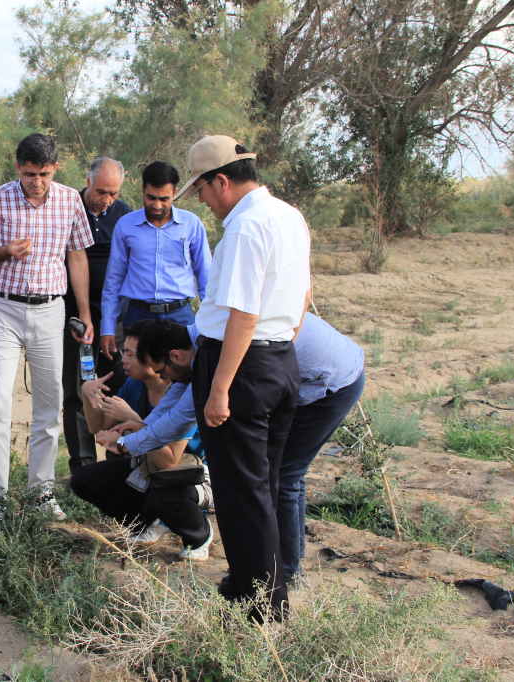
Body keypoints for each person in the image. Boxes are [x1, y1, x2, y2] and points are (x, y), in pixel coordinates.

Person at [178, 134, 311, 622]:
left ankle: (262, 609)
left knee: (241, 494)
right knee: (265, 485)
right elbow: (303, 291)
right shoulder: (288, 216)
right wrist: (284, 344)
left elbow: (242, 314)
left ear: (222, 181)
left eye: (204, 191)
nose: (205, 202)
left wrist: (219, 389)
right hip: (278, 361)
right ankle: (255, 586)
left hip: (240, 366)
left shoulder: (244, 228)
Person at [0, 133, 94, 519]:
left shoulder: (71, 199)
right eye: (28, 174)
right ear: (17, 167)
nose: (36, 182)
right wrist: (5, 251)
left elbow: (76, 256)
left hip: (49, 309)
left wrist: (85, 313)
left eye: (43, 173)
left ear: (55, 168)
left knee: (49, 402)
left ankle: (41, 493)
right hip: (4, 308)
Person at [75, 320, 213, 559]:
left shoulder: (183, 390)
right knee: (86, 480)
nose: (123, 359)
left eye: (130, 353)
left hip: (194, 476)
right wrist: (88, 395)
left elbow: (169, 461)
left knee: (165, 487)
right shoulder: (135, 386)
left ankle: (199, 534)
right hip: (149, 470)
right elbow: (99, 429)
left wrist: (133, 422)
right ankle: (146, 523)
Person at [278, 313, 365, 582]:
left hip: (334, 383)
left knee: (285, 475)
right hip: (322, 374)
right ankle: (292, 557)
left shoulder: (221, 337)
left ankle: (289, 571)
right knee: (289, 473)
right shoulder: (215, 325)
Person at [99, 161, 211, 360]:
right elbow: (113, 281)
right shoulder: (126, 226)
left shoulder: (191, 225)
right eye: (151, 198)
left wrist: (212, 322)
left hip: (180, 316)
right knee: (136, 379)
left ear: (175, 192)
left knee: (181, 378)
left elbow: (206, 277)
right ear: (143, 190)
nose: (157, 205)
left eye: (164, 199)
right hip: (138, 315)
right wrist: (107, 328)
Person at [63, 157, 132, 472]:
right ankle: (83, 464)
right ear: (87, 181)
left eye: (113, 193)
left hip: (114, 319)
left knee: (117, 385)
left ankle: (119, 459)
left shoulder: (124, 215)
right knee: (79, 389)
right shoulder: (68, 207)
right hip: (73, 315)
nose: (107, 200)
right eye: (101, 191)